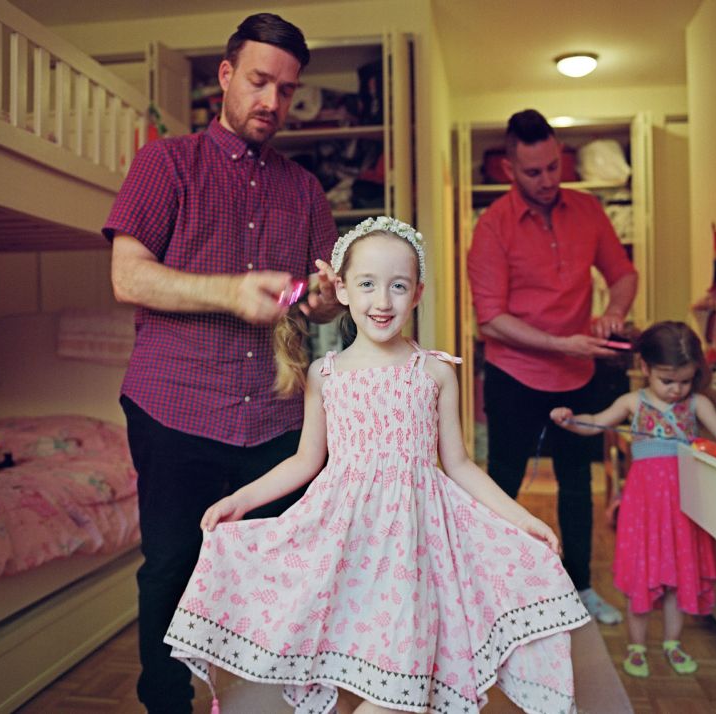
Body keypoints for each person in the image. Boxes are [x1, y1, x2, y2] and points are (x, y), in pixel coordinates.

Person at [165, 216, 591, 714]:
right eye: (367, 285)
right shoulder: (326, 375)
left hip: (414, 547)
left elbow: (460, 465)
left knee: (400, 692)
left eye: (398, 286)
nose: (382, 301)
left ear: (417, 294)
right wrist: (241, 499)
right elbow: (305, 460)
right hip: (346, 546)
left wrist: (525, 520)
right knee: (348, 682)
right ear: (342, 290)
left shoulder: (434, 370)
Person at [102, 13, 341, 713]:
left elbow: (320, 306)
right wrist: (230, 293)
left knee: (280, 575)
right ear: (227, 76)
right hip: (173, 406)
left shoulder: (306, 191)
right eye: (261, 82)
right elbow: (128, 278)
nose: (273, 102)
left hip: (274, 419)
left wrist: (325, 300)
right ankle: (169, 705)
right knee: (173, 568)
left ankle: (265, 700)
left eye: (288, 91)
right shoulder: (165, 164)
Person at [467, 108, 638, 626]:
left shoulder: (587, 210)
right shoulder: (492, 226)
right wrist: (563, 343)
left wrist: (612, 313)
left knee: (577, 483)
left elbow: (623, 274)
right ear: (509, 170)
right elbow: (491, 320)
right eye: (533, 172)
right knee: (503, 481)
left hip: (580, 373)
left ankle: (581, 586)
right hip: (514, 375)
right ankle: (485, 591)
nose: (546, 181)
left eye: (552, 167)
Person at [550, 321, 716, 678]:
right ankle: (637, 646)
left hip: (682, 509)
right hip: (642, 511)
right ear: (645, 368)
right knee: (641, 574)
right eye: (667, 381)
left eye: (685, 381)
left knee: (677, 574)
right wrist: (570, 421)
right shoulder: (632, 402)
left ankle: (673, 642)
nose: (676, 390)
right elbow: (594, 422)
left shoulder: (697, 403)